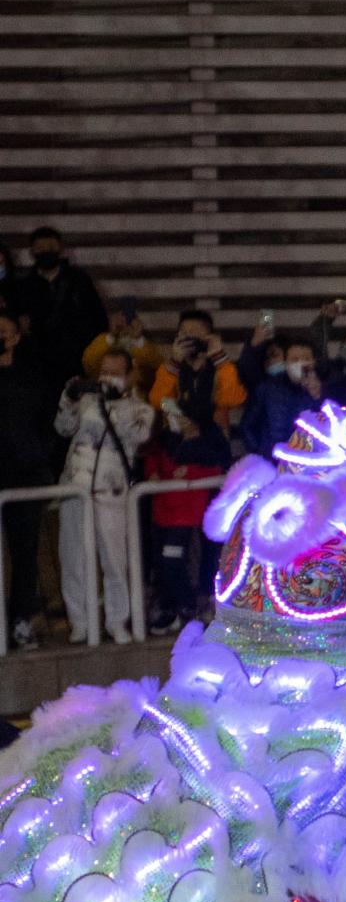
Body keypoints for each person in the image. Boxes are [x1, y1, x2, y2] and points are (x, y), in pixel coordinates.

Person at [54, 348, 154, 645]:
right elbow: (62, 428)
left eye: (115, 372)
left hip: (110, 490)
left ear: (128, 375)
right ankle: (80, 622)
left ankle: (117, 621)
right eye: (104, 372)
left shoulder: (140, 408)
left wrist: (116, 404)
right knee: (73, 558)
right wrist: (69, 398)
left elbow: (140, 437)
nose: (108, 378)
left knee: (114, 560)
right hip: (75, 488)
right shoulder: (85, 401)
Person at [142, 384, 231, 635]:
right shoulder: (162, 442)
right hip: (162, 514)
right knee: (162, 565)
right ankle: (173, 607)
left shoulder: (205, 442)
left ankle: (187, 607)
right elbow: (153, 461)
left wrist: (189, 472)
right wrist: (154, 475)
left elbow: (214, 467)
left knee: (173, 561)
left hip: (186, 516)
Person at [0, 315, 54, 650]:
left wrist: (38, 459)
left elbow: (46, 424)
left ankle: (20, 619)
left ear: (17, 337)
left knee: (24, 553)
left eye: (3, 333)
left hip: (24, 476)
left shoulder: (32, 376)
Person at [12, 225, 107, 401]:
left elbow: (98, 319)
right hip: (39, 365)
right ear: (32, 252)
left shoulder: (79, 281)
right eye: (41, 248)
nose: (46, 252)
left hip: (77, 362)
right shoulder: (24, 287)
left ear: (60, 249)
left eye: (51, 247)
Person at [151, 311, 246, 429]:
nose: (189, 337)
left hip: (214, 440)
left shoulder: (222, 368)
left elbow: (233, 400)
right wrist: (175, 362)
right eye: (184, 332)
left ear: (210, 336)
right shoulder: (171, 369)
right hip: (181, 440)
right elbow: (158, 401)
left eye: (195, 332)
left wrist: (219, 357)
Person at [239, 331, 324, 460]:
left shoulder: (323, 389)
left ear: (314, 361)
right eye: (294, 359)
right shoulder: (267, 388)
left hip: (307, 462)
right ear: (285, 362)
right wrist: (258, 453)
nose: (301, 363)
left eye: (306, 359)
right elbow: (247, 425)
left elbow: (327, 426)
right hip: (270, 460)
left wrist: (317, 398)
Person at [82, 297, 165, 395]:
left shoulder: (144, 350)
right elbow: (89, 363)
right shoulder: (105, 343)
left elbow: (157, 369)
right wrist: (111, 336)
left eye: (115, 374)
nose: (124, 323)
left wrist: (137, 339)